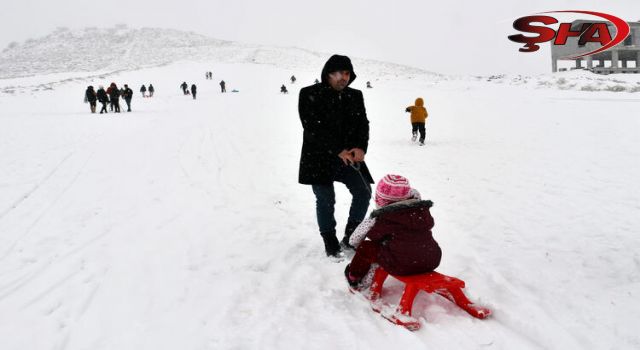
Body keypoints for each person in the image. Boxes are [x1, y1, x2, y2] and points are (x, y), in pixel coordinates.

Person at [298, 54, 373, 258]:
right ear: (327, 74)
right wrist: (337, 149)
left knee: (364, 191)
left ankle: (351, 237)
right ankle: (329, 241)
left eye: (347, 73)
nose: (343, 77)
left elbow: (362, 124)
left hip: (348, 156)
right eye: (337, 73)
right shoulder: (308, 93)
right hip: (318, 156)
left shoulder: (355, 95)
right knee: (325, 199)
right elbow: (312, 127)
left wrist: (360, 147)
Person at [344, 174, 441, 289]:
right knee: (408, 244)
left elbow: (354, 239)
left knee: (367, 248)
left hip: (402, 264)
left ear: (381, 200)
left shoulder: (382, 218)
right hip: (431, 259)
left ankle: (354, 276)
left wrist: (358, 244)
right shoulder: (421, 212)